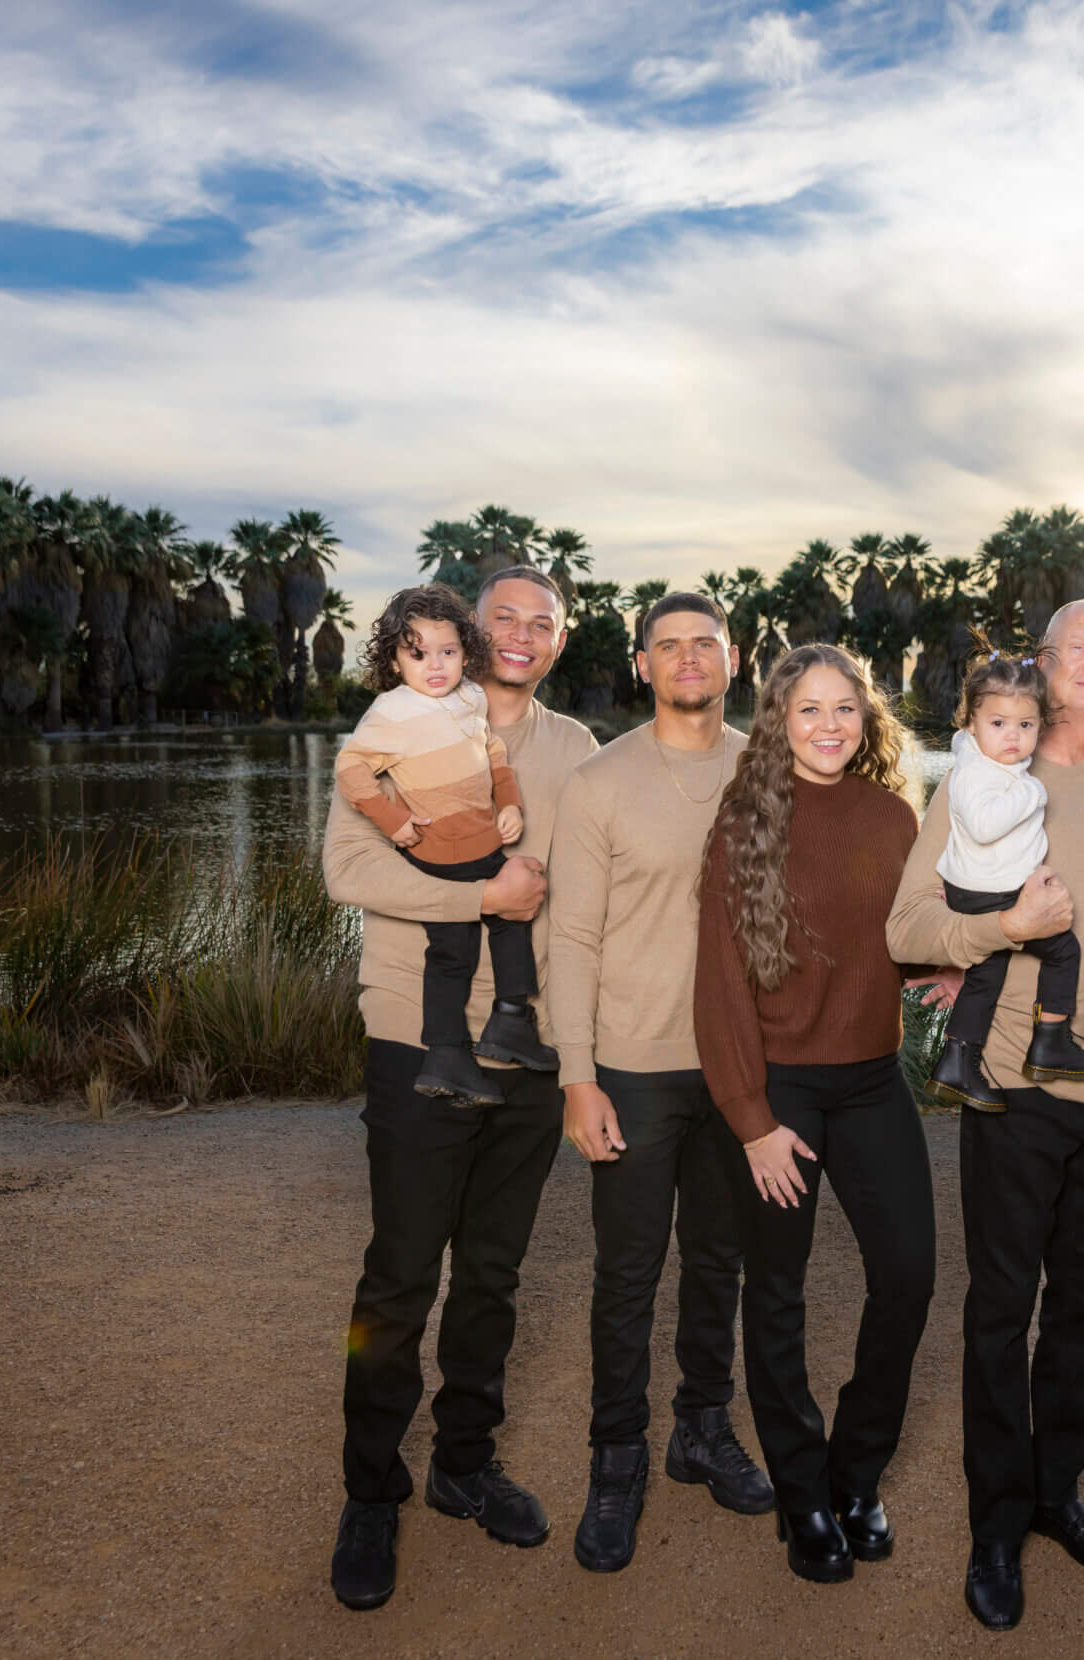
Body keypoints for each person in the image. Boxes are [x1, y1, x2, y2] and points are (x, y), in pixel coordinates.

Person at [886, 599, 1084, 1633]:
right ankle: (995, 1522)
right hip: (1014, 1088)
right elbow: (907, 920)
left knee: (1083, 1305)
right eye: (1076, 648)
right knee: (1000, 1309)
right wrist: (989, 933)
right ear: (1046, 665)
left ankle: (1058, 1492)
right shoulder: (984, 770)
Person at [320, 565, 595, 1612]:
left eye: (543, 621)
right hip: (413, 1035)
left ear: (561, 638)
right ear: (462, 630)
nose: (520, 633)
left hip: (531, 1046)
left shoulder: (576, 752)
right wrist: (482, 892)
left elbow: (600, 886)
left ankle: (464, 1461)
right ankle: (371, 1488)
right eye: (503, 617)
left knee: (492, 1272)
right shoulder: (400, 719)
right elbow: (346, 867)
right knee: (399, 1277)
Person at [693, 644, 937, 1584]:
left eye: (845, 709)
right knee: (780, 1296)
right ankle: (802, 1496)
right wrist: (750, 1120)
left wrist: (946, 962)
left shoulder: (894, 816)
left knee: (909, 1276)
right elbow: (718, 982)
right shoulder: (743, 820)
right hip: (779, 1092)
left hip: (875, 1082)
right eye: (808, 711)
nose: (829, 725)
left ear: (866, 719)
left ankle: (854, 1474)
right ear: (778, 723)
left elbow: (905, 935)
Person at [547, 590, 774, 1574]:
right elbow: (571, 936)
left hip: (735, 1070)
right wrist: (576, 1077)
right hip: (632, 1071)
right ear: (640, 663)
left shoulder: (766, 768)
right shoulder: (599, 781)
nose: (687, 659)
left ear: (732, 659)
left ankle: (700, 1428)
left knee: (719, 1263)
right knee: (627, 1277)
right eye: (668, 646)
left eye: (705, 645)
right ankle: (615, 1461)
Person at [333, 583, 554, 1104]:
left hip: (481, 839)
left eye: (448, 652)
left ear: (466, 652)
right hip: (438, 854)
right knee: (452, 954)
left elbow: (492, 749)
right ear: (394, 661)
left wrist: (509, 803)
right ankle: (446, 1055)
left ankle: (511, 1019)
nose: (435, 665)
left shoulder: (469, 697)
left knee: (512, 919)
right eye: (417, 653)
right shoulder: (390, 714)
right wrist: (392, 820)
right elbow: (350, 768)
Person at [926, 640, 1084, 1114]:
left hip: (980, 888)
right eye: (998, 724)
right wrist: (1032, 794)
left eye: (1025, 725)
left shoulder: (984, 761)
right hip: (991, 894)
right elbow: (982, 826)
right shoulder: (977, 774)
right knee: (1064, 951)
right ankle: (1050, 1042)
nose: (1012, 737)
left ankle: (958, 1060)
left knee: (986, 977)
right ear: (970, 721)